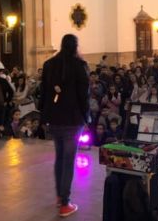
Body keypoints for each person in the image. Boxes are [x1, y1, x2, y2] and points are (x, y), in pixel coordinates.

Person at [39, 34, 90, 217]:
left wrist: (44, 116)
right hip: (73, 119)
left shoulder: (48, 65)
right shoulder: (79, 66)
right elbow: (84, 96)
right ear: (75, 46)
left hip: (54, 118)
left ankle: (60, 197)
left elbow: (43, 93)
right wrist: (86, 117)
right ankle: (65, 203)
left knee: (59, 157)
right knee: (68, 160)